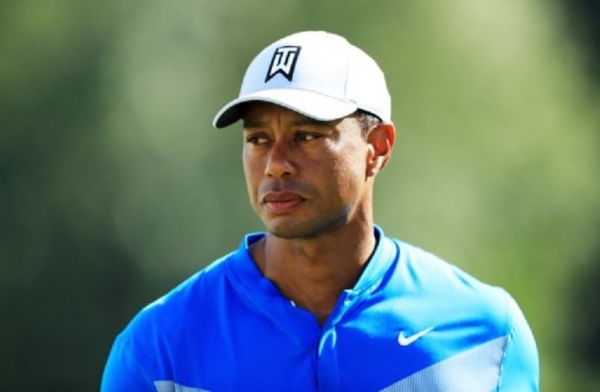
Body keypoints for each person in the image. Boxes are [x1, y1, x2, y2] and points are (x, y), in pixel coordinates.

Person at [101, 30, 539, 391]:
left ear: (378, 148)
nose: (276, 163)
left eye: (307, 135)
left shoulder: (487, 330)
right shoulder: (159, 348)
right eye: (257, 139)